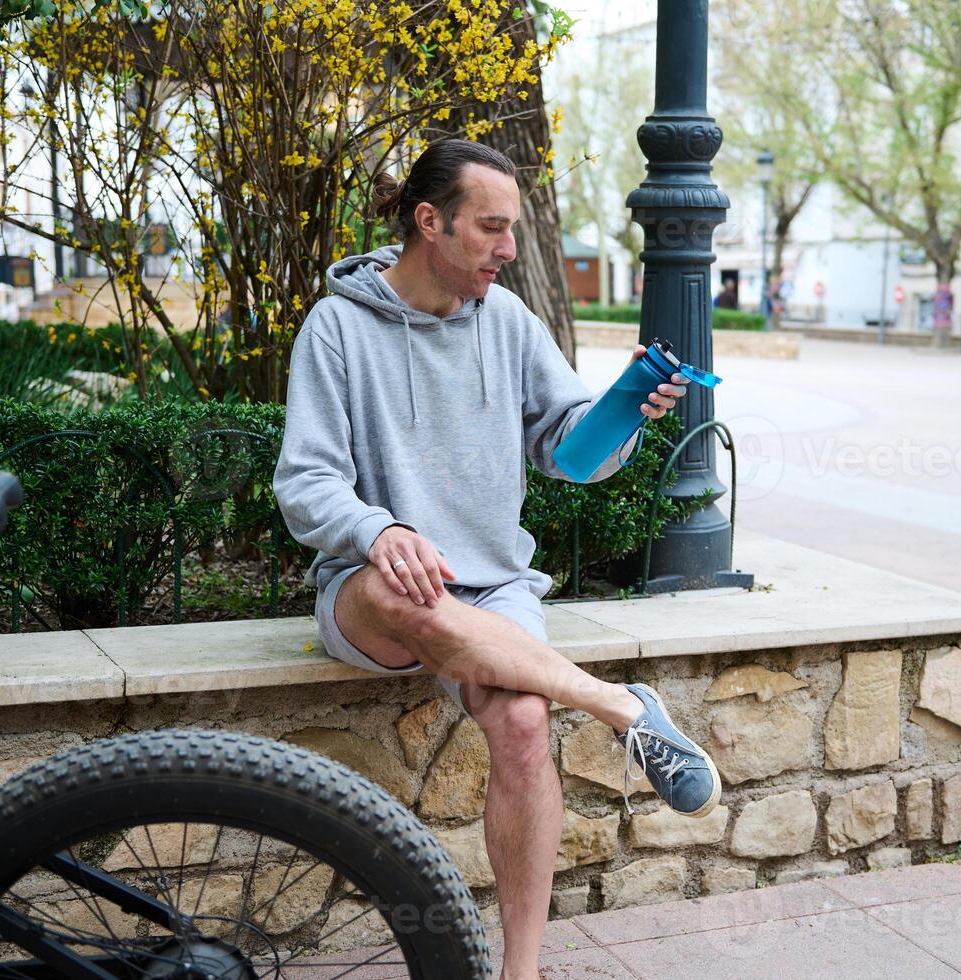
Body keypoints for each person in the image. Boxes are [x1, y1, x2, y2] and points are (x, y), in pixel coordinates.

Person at [272, 139, 722, 980]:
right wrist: (379, 530)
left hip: (493, 584)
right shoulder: (336, 328)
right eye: (491, 228)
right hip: (375, 592)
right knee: (403, 592)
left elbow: (570, 454)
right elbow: (305, 480)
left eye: (511, 229)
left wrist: (624, 410)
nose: (509, 249)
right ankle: (622, 707)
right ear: (429, 220)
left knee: (520, 724)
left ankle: (521, 972)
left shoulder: (507, 321)